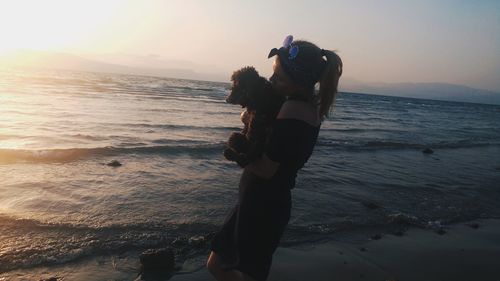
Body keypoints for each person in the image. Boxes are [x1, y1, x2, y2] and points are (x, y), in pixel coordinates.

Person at [206, 35, 343, 281]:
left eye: (278, 77)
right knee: (217, 264)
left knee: (242, 272)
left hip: (264, 208)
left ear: (299, 81)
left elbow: (267, 169)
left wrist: (237, 156)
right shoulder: (296, 107)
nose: (271, 81)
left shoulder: (293, 111)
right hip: (255, 202)